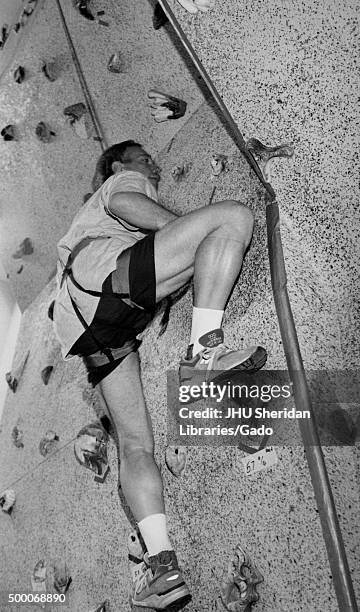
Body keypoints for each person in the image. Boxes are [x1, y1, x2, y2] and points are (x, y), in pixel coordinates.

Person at [52, 140, 267, 609]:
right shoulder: (118, 182)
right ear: (116, 164)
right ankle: (203, 355)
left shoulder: (87, 227)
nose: (152, 163)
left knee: (134, 446)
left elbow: (172, 268)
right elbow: (129, 202)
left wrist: (189, 255)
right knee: (233, 217)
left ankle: (163, 571)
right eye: (142, 156)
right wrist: (189, 230)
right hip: (102, 278)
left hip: (89, 325)